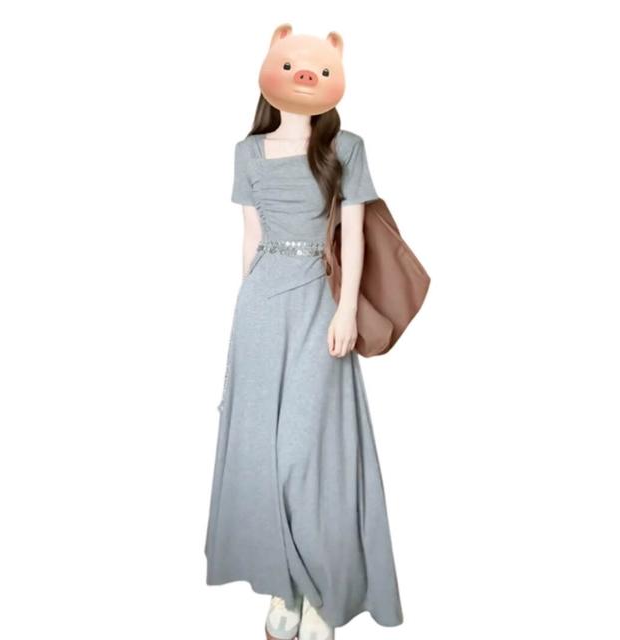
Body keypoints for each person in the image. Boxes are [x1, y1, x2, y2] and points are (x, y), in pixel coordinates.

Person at [204, 24, 403, 639]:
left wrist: (346, 312)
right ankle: (281, 584)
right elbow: (251, 238)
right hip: (261, 308)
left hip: (321, 302)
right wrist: (245, 319)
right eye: (291, 65)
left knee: (306, 452)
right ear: (272, 71)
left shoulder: (347, 147)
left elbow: (353, 235)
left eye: (317, 68)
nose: (304, 75)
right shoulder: (246, 152)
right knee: (261, 451)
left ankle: (323, 589)